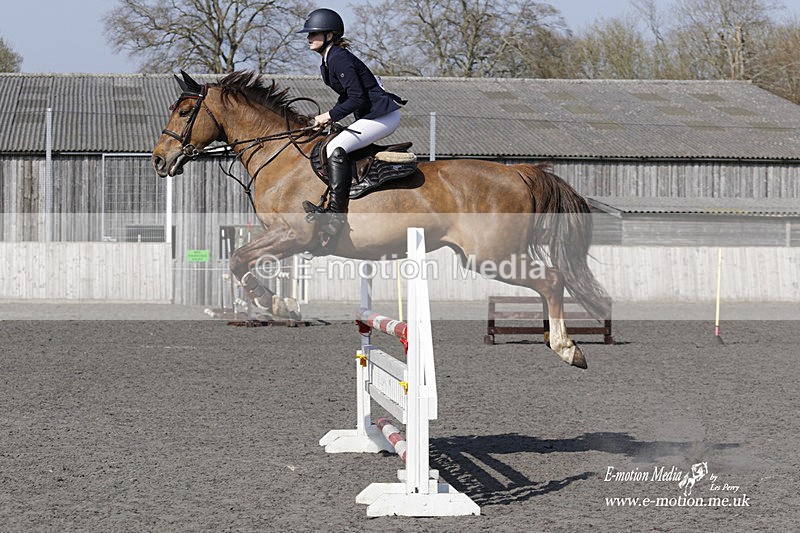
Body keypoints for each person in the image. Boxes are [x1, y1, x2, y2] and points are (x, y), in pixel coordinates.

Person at [297, 8, 405, 237]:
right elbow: (349, 96)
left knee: (336, 148)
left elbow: (357, 98)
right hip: (371, 115)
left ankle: (336, 215)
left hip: (383, 116)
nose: (308, 38)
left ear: (330, 35)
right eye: (308, 34)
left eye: (313, 34)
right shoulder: (329, 61)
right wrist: (329, 116)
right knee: (333, 142)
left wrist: (329, 115)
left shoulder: (338, 58)